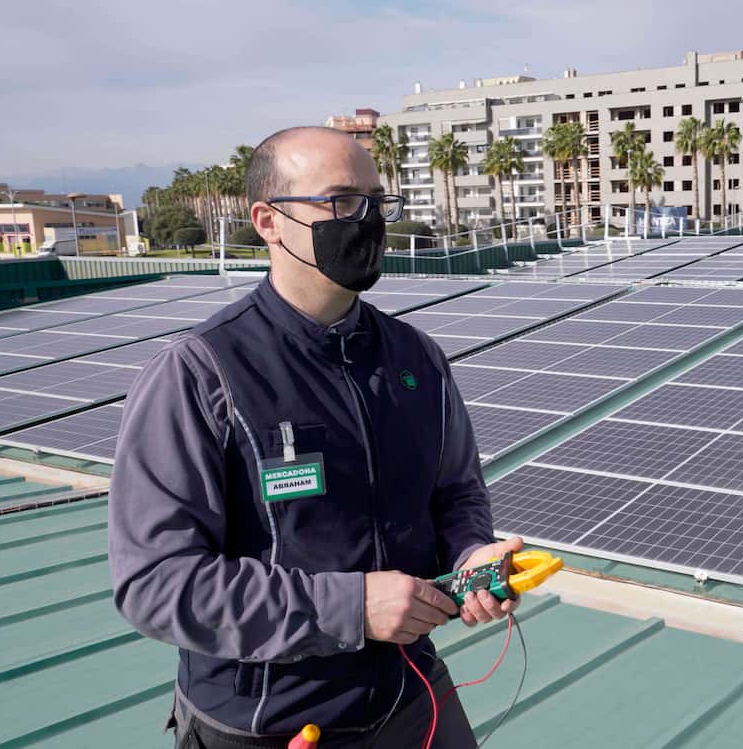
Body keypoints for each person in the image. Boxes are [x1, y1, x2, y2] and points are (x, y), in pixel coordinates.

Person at [109, 126, 522, 748]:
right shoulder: (200, 373)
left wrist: (470, 557)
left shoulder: (416, 358)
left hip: (410, 695)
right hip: (269, 721)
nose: (368, 221)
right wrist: (350, 608)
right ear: (268, 222)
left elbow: (456, 493)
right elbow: (156, 583)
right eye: (341, 201)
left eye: (377, 201)